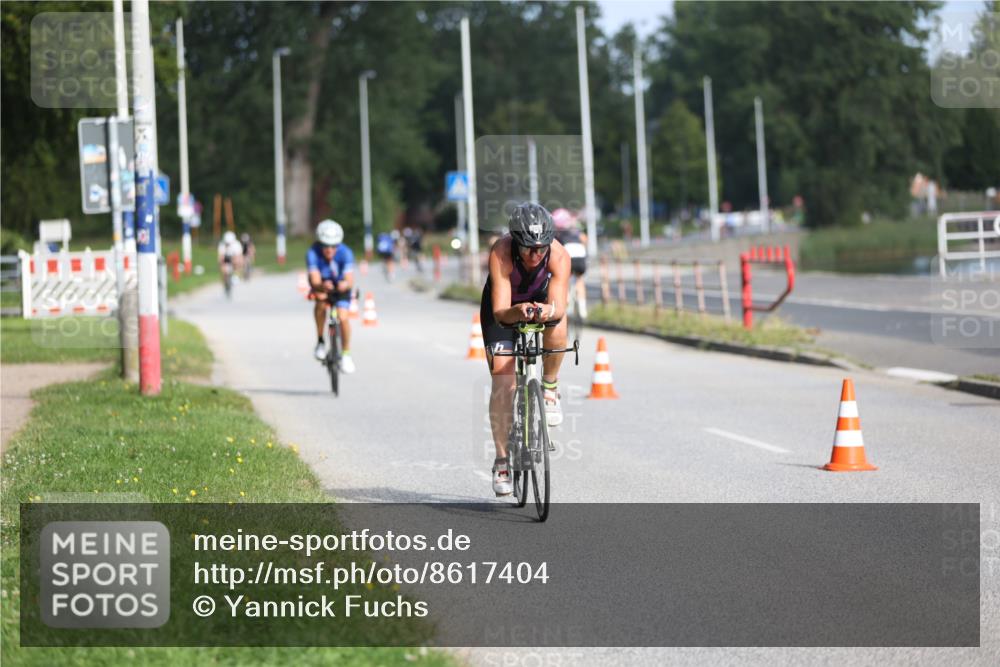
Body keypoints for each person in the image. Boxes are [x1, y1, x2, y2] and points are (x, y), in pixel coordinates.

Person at [480, 203, 571, 496]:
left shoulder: (559, 255)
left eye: (541, 248)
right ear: (516, 242)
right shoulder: (501, 252)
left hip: (541, 302)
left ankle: (549, 388)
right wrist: (519, 311)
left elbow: (558, 308)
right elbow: (501, 313)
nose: (536, 255)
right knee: (503, 379)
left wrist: (545, 311)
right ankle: (503, 460)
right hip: (505, 308)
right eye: (529, 248)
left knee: (558, 324)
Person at [307, 219, 356, 373]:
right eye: (325, 245)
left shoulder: (346, 253)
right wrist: (321, 286)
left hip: (341, 288)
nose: (329, 249)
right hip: (323, 286)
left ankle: (346, 354)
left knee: (342, 318)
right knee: (320, 301)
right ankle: (320, 341)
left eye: (334, 246)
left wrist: (345, 285)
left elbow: (349, 278)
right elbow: (314, 278)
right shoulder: (312, 253)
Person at [552, 208, 588, 319]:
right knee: (579, 279)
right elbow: (585, 239)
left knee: (564, 279)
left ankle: (567, 303)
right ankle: (582, 308)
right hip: (580, 254)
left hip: (569, 255)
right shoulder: (576, 230)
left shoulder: (557, 234)